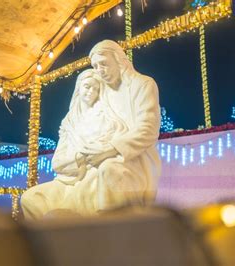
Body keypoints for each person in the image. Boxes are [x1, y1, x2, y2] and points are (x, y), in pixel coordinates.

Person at [21, 40, 161, 219]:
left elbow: (147, 130)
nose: (100, 70)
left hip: (133, 162)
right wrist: (82, 157)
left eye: (104, 64)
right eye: (96, 66)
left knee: (108, 170)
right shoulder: (102, 94)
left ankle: (105, 237)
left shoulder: (142, 85)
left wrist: (108, 150)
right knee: (32, 198)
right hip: (87, 167)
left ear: (119, 60)